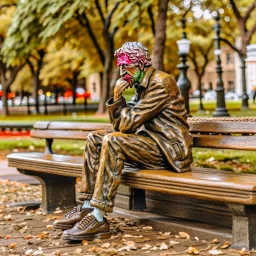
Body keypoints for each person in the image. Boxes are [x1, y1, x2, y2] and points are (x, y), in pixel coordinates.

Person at [53, 42, 193, 241]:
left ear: (141, 64)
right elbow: (122, 127)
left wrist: (118, 97)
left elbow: (127, 125)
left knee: (114, 141)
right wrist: (119, 100)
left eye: (126, 67)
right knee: (95, 139)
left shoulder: (161, 83)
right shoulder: (141, 84)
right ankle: (87, 207)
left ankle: (99, 217)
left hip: (170, 150)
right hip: (151, 143)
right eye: (121, 67)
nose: (122, 72)